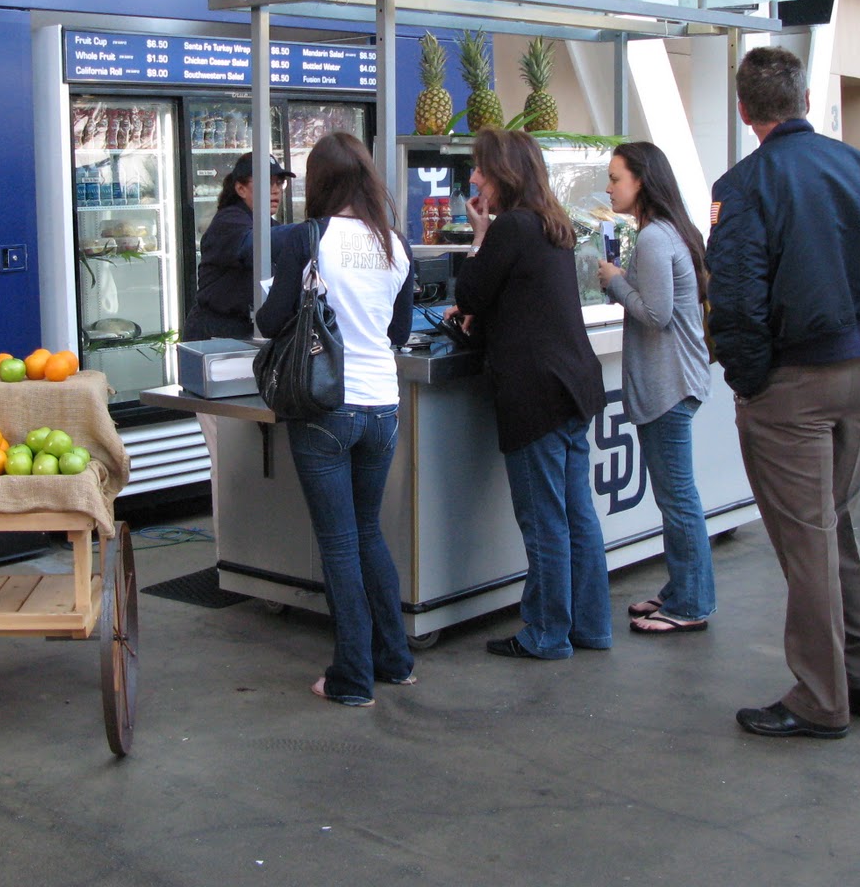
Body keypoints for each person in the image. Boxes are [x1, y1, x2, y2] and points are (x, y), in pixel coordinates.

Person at [706, 47, 860, 740]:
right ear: (802, 99)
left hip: (790, 386)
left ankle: (820, 697)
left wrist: (751, 381)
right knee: (835, 526)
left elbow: (736, 302)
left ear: (745, 112)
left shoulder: (745, 185)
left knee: (806, 543)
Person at [256, 131, 415, 706]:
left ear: (320, 182)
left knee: (340, 544)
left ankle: (352, 676)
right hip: (383, 409)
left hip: (326, 408)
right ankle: (394, 659)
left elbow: (272, 321)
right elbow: (399, 333)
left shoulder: (308, 238)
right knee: (368, 532)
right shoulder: (394, 244)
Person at [448, 127, 610, 660]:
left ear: (504, 174)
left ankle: (545, 633)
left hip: (535, 393)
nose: (474, 178)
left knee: (544, 520)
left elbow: (472, 289)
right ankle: (589, 625)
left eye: (481, 170)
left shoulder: (512, 227)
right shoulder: (551, 224)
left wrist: (477, 236)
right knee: (575, 514)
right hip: (572, 385)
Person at [596, 142, 716, 635]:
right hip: (675, 379)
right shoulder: (668, 232)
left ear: (640, 181)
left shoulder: (652, 239)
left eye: (616, 178)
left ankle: (691, 603)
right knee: (675, 495)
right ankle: (680, 588)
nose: (609, 187)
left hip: (669, 385)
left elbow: (656, 314)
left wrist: (615, 281)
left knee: (677, 497)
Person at [184, 151, 294, 341]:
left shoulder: (268, 225)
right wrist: (311, 230)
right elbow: (254, 246)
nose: (275, 190)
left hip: (245, 330)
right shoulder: (229, 220)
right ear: (241, 189)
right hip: (215, 333)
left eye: (279, 183)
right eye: (267, 182)